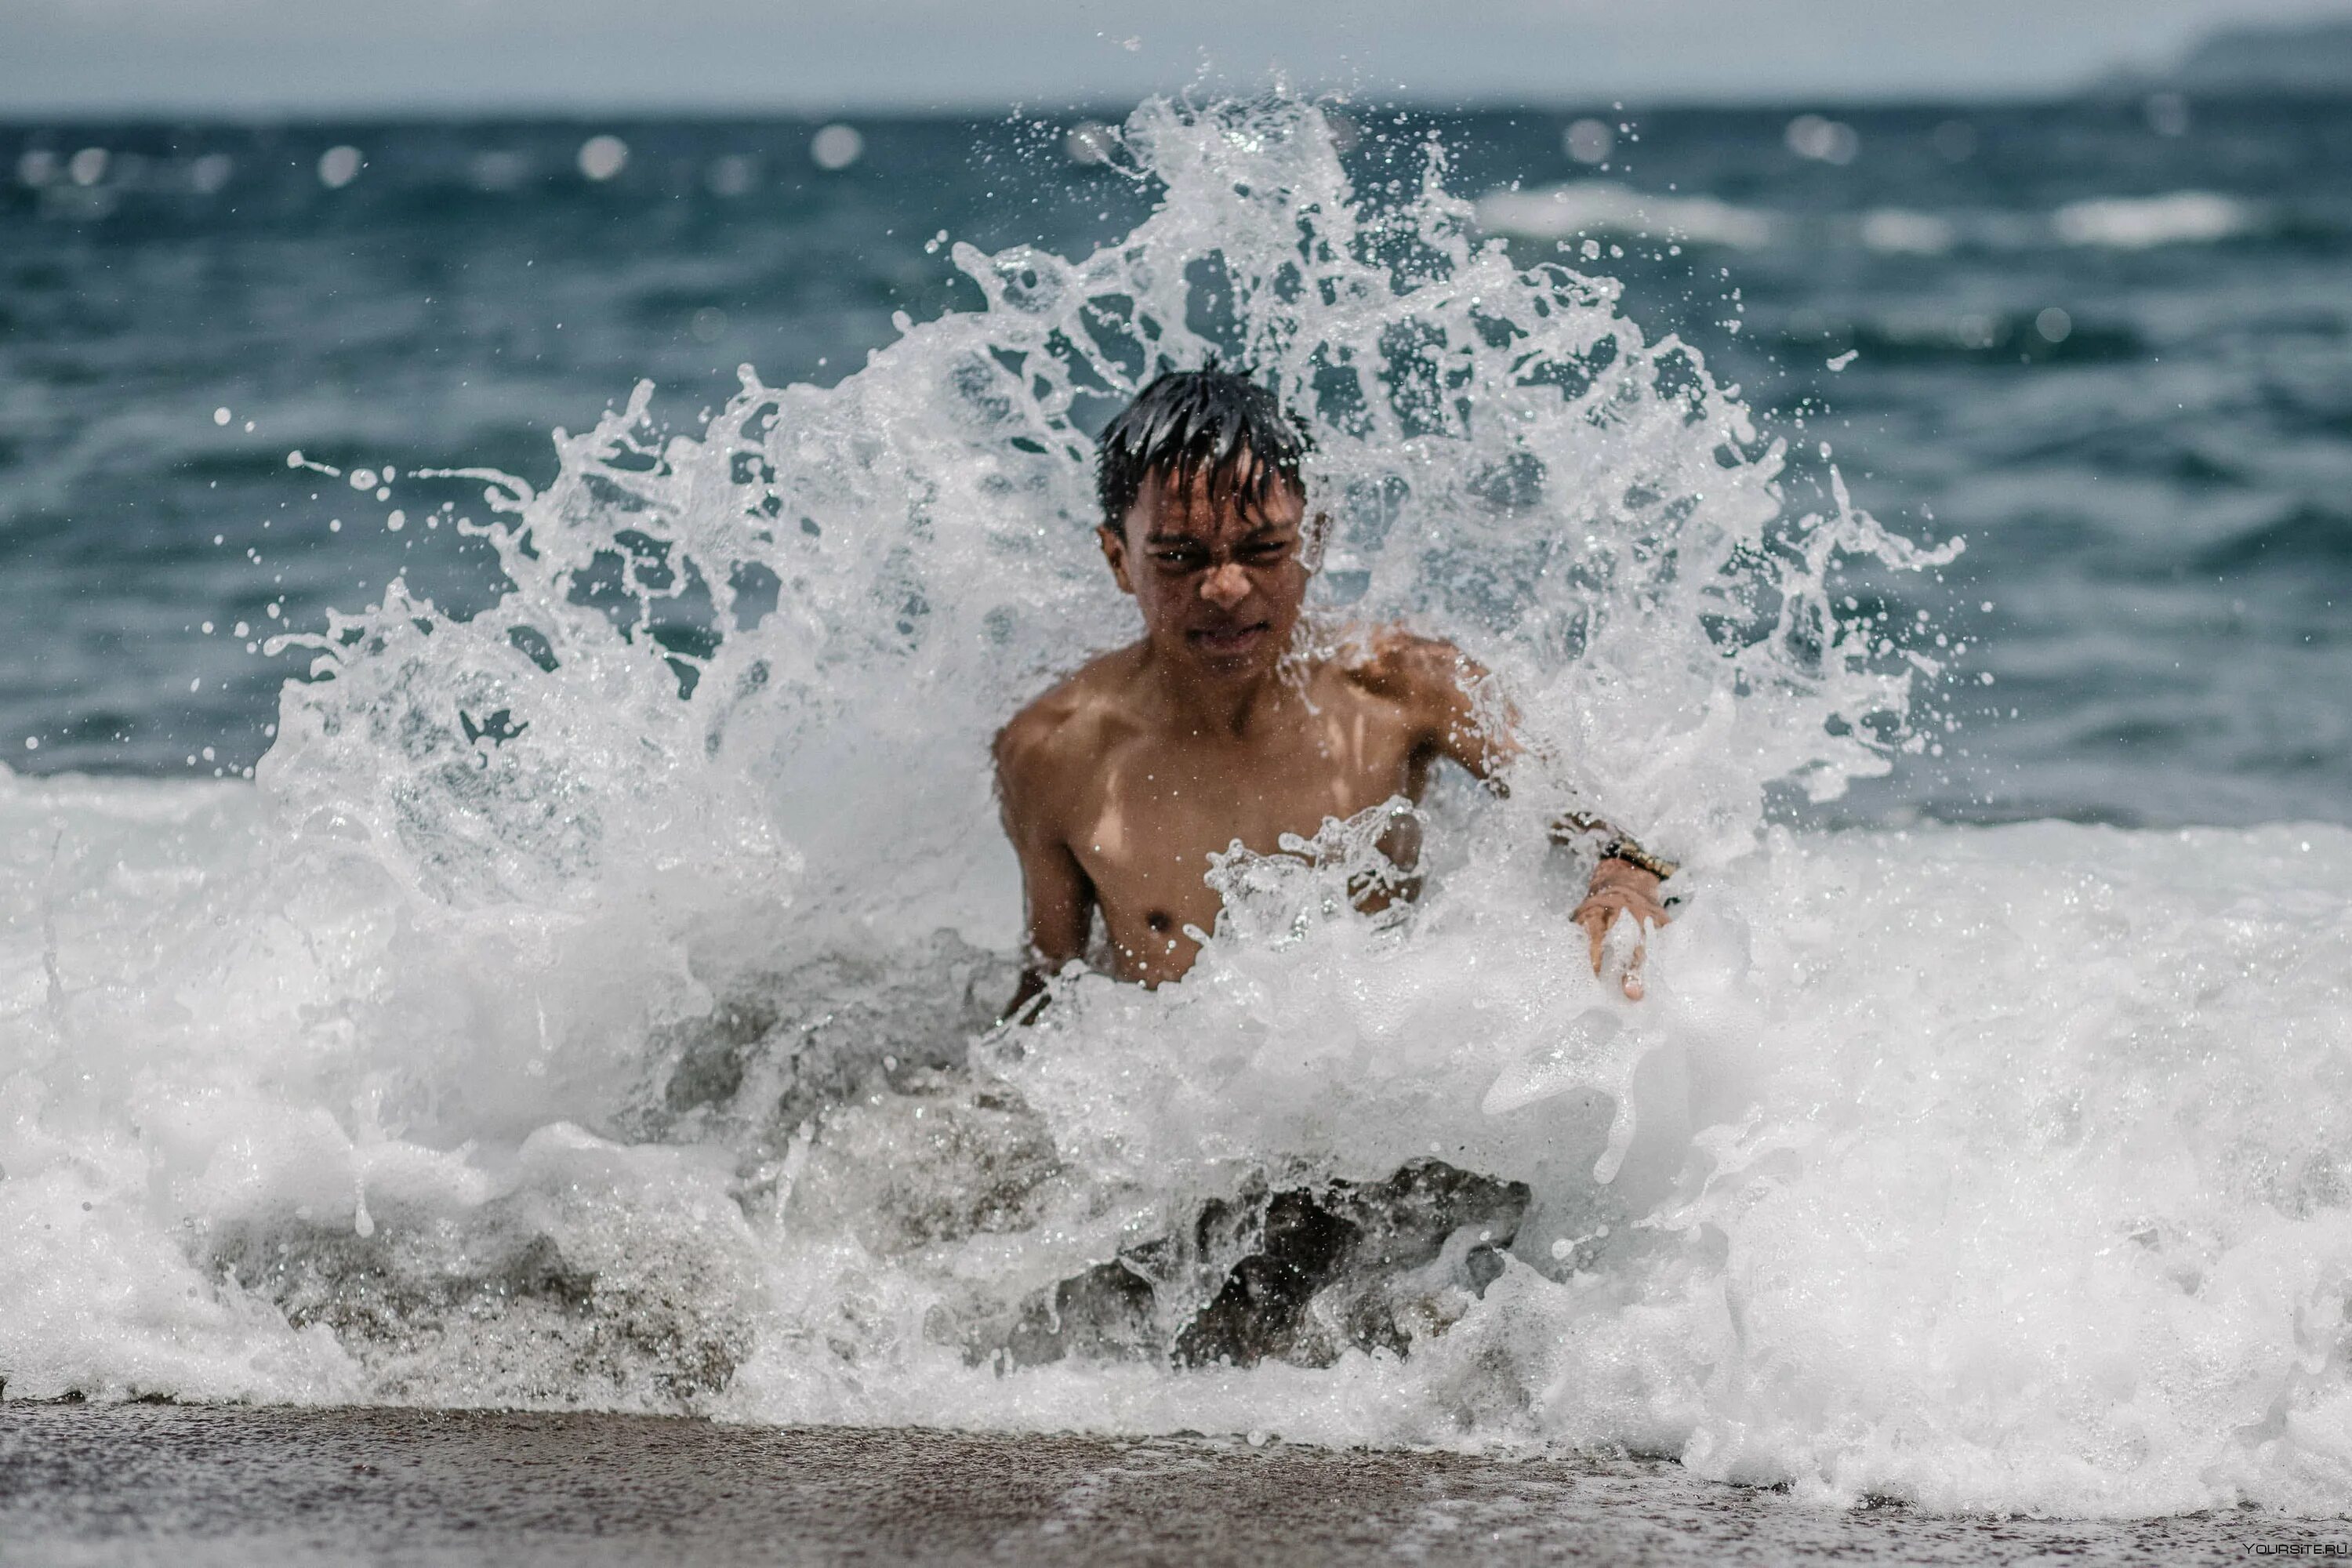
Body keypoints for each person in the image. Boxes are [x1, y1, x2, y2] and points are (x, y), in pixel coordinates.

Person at [993, 366, 1675, 1022]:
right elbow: (1052, 992)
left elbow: (1616, 837)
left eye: (1263, 551)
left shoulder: (1407, 688)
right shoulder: (1056, 753)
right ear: (1119, 559)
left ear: (1314, 537)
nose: (1226, 590)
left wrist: (1621, 887)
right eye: (1179, 558)